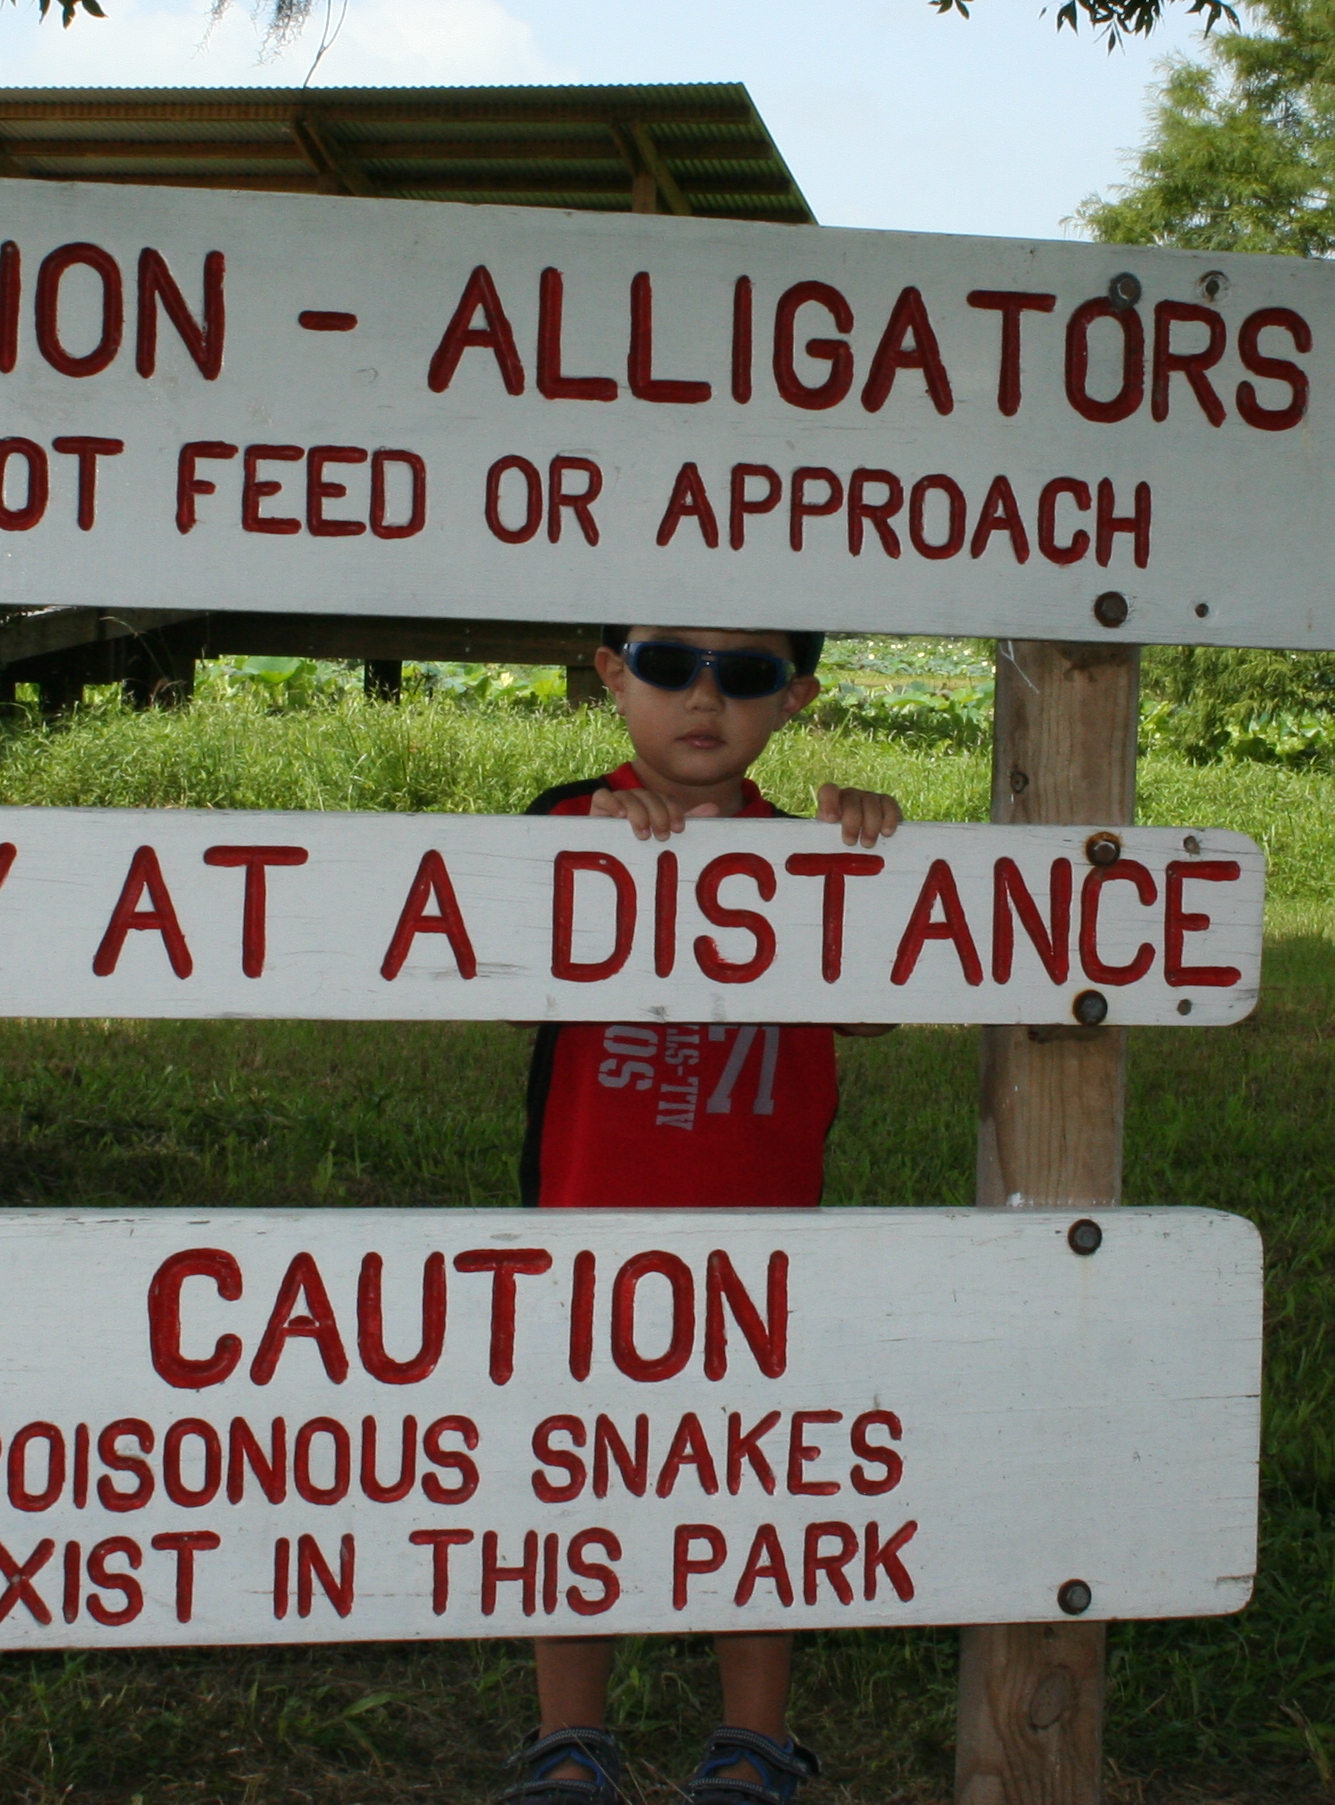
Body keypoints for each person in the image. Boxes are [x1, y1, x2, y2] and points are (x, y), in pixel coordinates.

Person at [498, 624, 904, 1805]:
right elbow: (495, 944)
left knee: (754, 1479)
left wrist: (865, 859)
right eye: (671, 665)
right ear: (614, 675)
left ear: (798, 698)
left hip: (764, 1249)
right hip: (585, 1239)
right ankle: (569, 1744)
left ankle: (753, 1745)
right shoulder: (566, 819)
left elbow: (875, 1014)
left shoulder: (813, 846)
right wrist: (585, 848)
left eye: (750, 674)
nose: (706, 698)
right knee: (575, 1475)